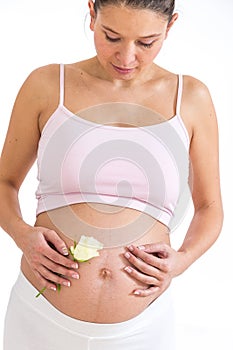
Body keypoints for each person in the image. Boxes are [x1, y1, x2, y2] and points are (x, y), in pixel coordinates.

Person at [0, 0, 223, 349]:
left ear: (171, 26)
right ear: (92, 13)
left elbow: (210, 206)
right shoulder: (47, 84)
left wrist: (182, 260)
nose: (126, 57)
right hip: (39, 316)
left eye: (146, 43)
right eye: (112, 37)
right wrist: (22, 235)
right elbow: (5, 182)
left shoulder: (191, 97)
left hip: (143, 326)